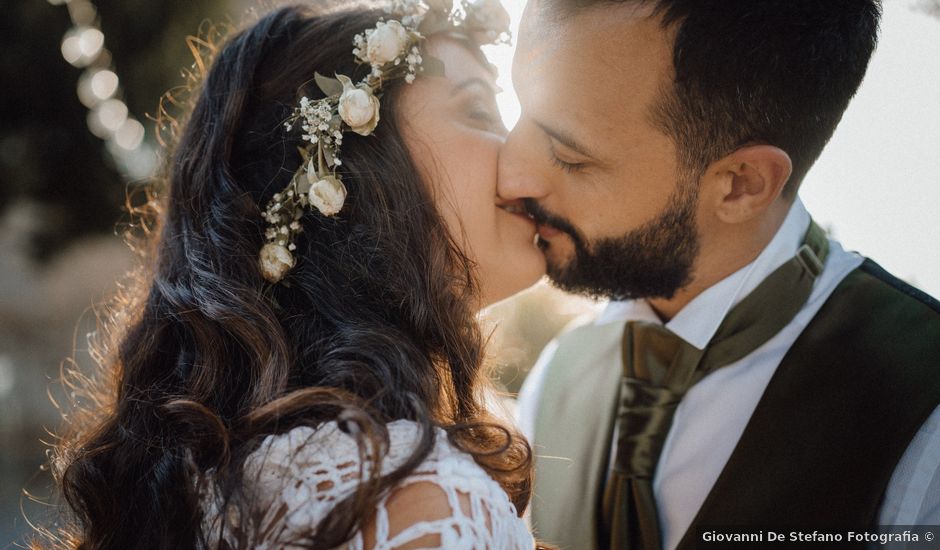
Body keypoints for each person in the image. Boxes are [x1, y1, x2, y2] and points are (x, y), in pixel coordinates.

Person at [41, 1, 547, 548]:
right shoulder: (418, 504)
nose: (522, 150)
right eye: (478, 112)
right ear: (354, 166)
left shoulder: (210, 480)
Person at [502, 1, 940, 549]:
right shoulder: (557, 376)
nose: (511, 172)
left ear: (742, 185)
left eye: (570, 155)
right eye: (515, 110)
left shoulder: (926, 412)